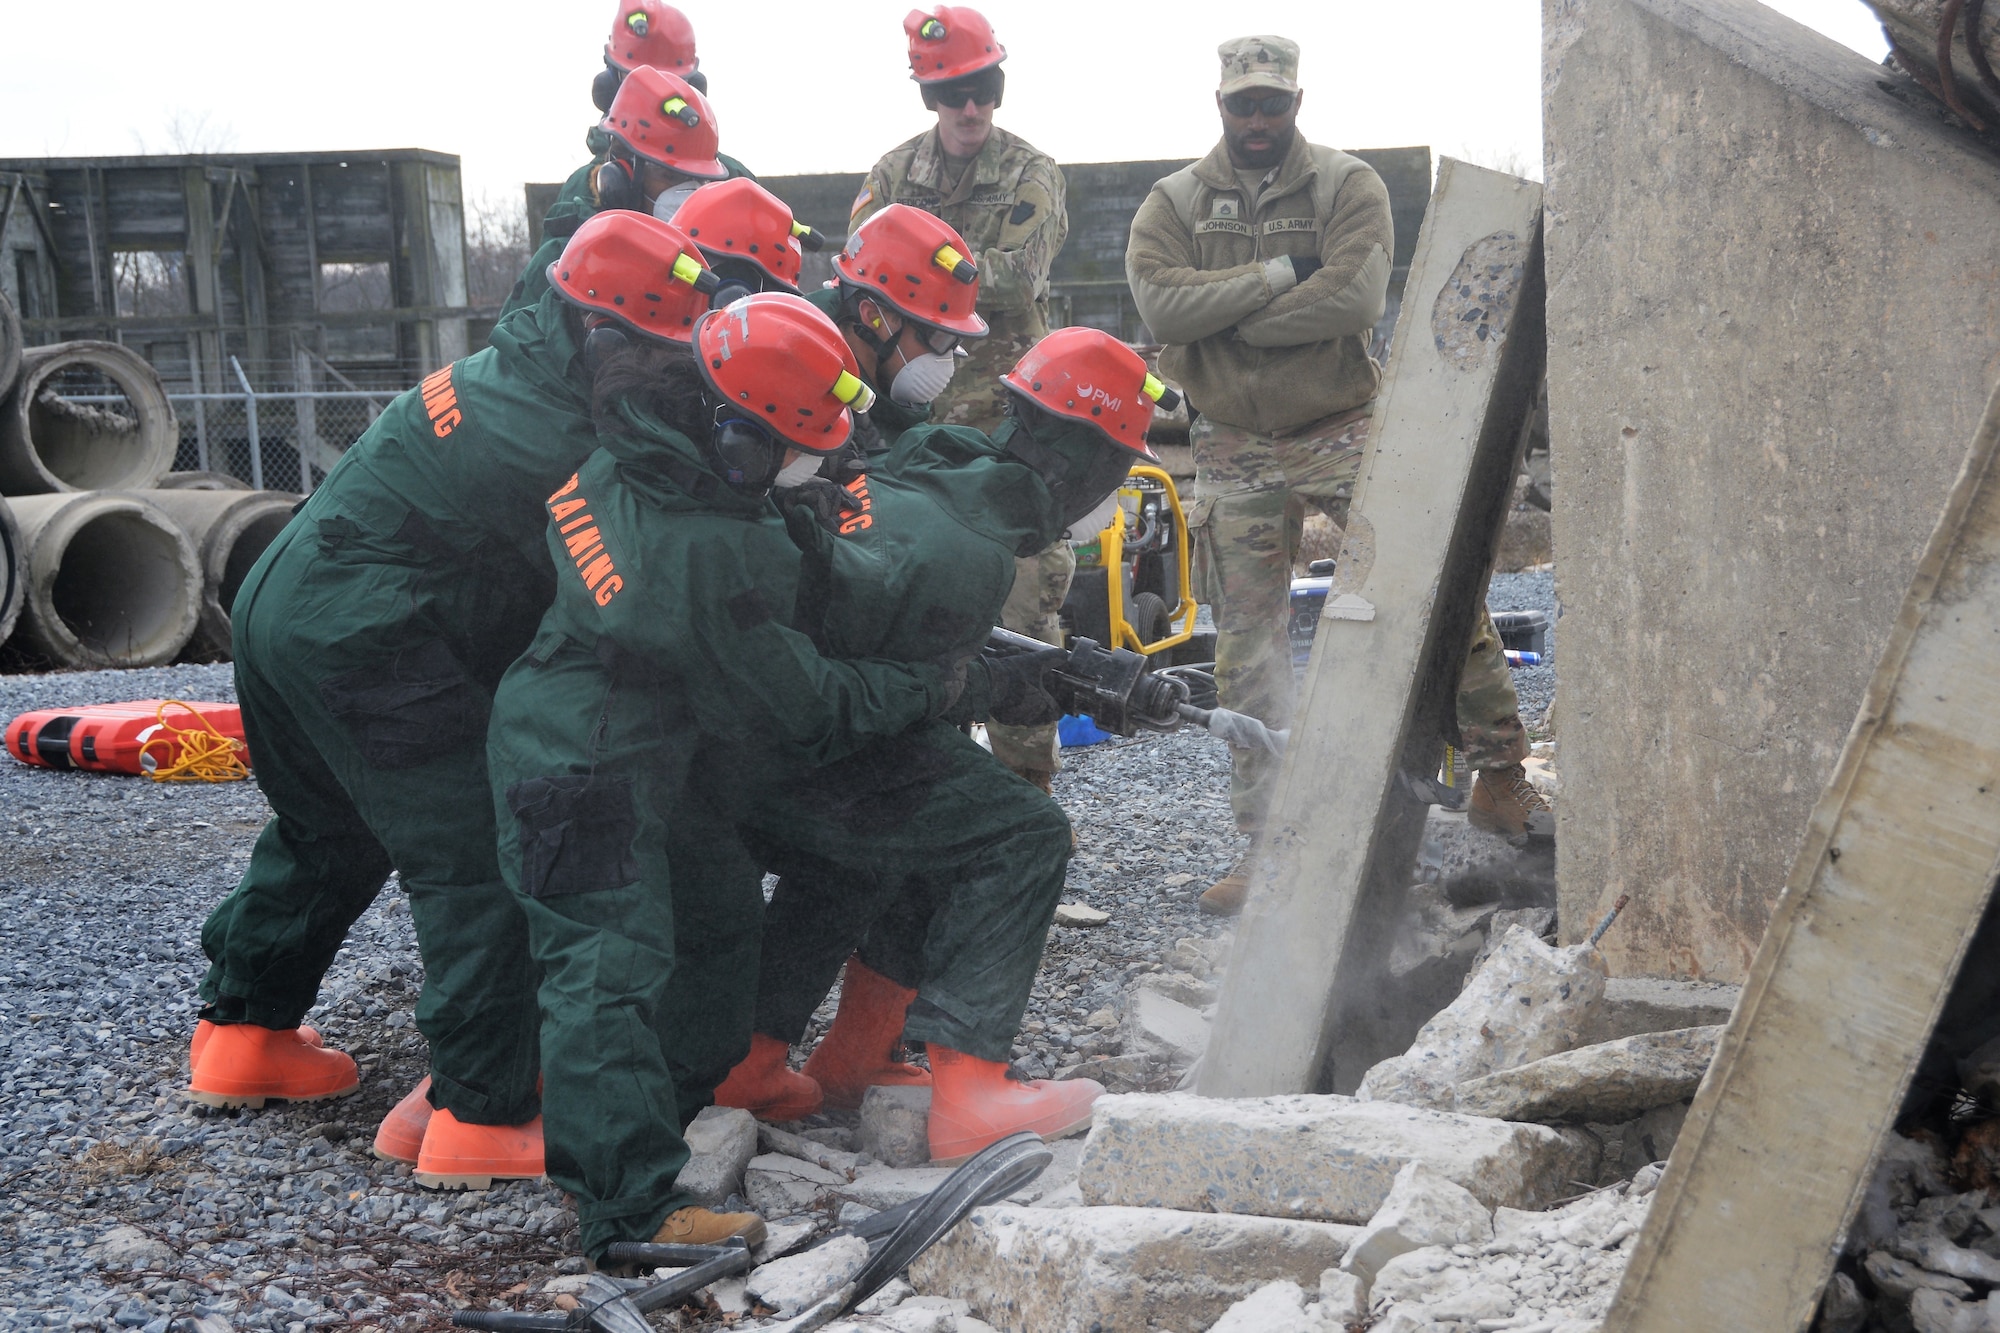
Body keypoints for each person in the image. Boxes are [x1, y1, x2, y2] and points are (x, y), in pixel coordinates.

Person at [188, 213, 725, 1191]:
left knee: (329, 829)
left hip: (282, 599)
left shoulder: (513, 366)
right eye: (656, 350)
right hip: (364, 634)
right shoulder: (556, 431)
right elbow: (639, 536)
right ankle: (482, 1112)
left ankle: (242, 1034)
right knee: (481, 853)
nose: (666, 371)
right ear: (601, 333)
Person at [483, 293, 965, 1258]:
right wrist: (938, 682)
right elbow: (805, 702)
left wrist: (787, 509)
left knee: (715, 914)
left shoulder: (641, 441)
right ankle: (623, 1208)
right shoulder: (705, 549)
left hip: (646, 740)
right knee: (604, 969)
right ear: (736, 437)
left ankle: (676, 1103)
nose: (814, 461)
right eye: (793, 447)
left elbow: (737, 544)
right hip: (581, 759)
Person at [709, 326, 1168, 1158]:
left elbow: (886, 637)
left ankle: (774, 1060)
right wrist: (990, 684)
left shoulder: (930, 465)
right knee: (1018, 832)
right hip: (786, 750)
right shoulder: (969, 554)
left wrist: (1031, 673)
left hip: (741, 736)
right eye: (1119, 465)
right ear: (1089, 460)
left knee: (899, 830)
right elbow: (896, 692)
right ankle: (972, 1089)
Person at [1125, 36, 1546, 916]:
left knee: (1433, 587)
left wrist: (1221, 321)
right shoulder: (1173, 203)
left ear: (1297, 102)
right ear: (1220, 104)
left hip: (1344, 427)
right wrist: (1278, 277)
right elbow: (1162, 308)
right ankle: (1265, 840)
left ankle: (1499, 773)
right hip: (1233, 442)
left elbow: (1354, 300)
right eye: (1243, 104)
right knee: (1246, 643)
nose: (1257, 120)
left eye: (1272, 104)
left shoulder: (1348, 186)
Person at [851, 5, 1078, 796]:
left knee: (1022, 617)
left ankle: (1027, 801)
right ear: (929, 97)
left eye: (984, 88)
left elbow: (1017, 279)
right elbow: (858, 277)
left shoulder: (1031, 173)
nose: (971, 108)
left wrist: (906, 268)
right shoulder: (889, 174)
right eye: (953, 94)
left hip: (1008, 430)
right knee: (910, 619)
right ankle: (934, 799)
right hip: (910, 432)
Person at [500, 58, 747, 321]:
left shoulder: (726, 256)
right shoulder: (567, 256)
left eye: (699, 180)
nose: (689, 193)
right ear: (620, 180)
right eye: (669, 176)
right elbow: (519, 345)